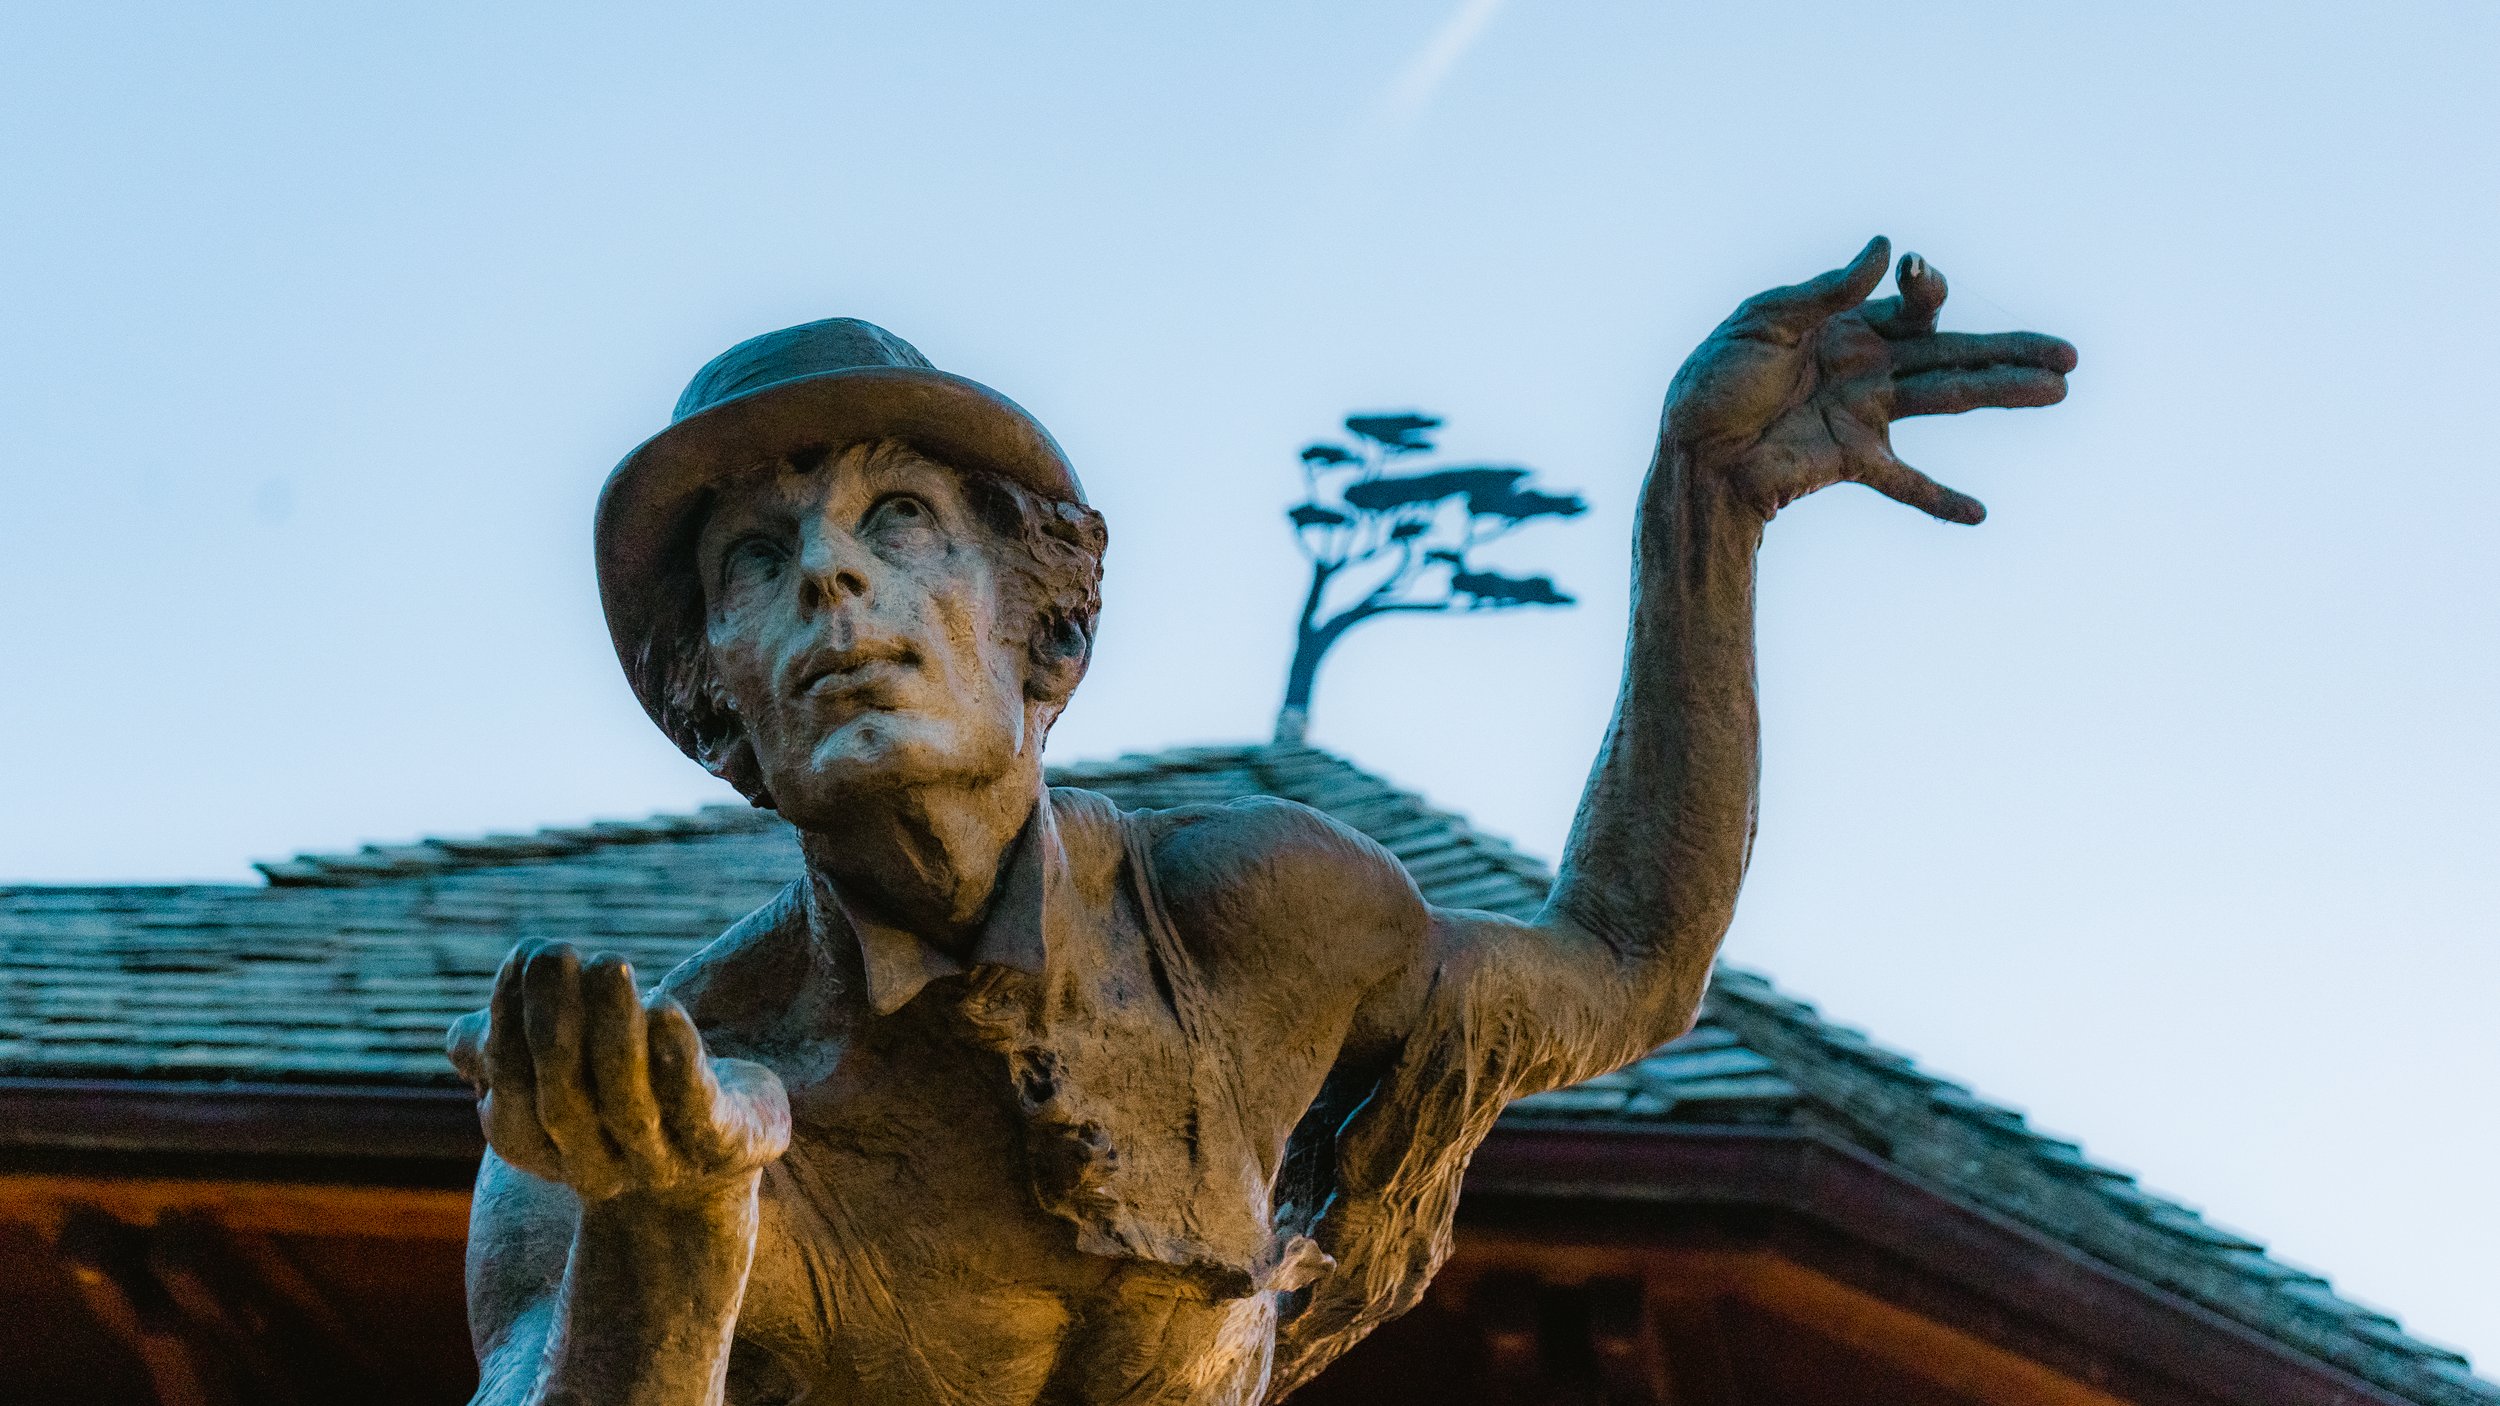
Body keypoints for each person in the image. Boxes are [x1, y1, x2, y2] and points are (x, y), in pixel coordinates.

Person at [448, 238, 2075, 1405]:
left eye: (899, 520)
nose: (826, 573)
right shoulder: (622, 1125)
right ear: (717, 698)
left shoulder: (1252, 922)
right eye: (754, 556)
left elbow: (1630, 957)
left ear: (1044, 627)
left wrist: (1705, 509)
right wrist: (674, 1232)